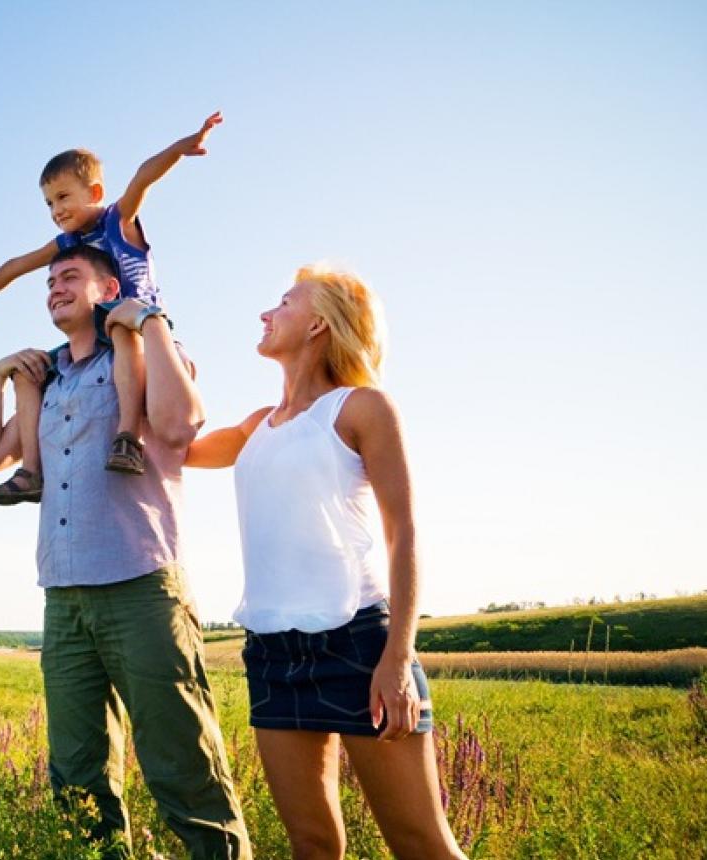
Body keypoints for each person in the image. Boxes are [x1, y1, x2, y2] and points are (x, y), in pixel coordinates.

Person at [0, 244, 250, 860]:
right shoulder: (46, 383)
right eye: (47, 283)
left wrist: (148, 322)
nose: (53, 289)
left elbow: (180, 427)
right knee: (77, 775)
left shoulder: (143, 357)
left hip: (141, 586)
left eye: (69, 276)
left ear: (107, 288)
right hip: (63, 598)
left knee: (182, 762)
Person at [185, 264, 466, 860]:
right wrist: (154, 343)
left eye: (283, 303)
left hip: (359, 645)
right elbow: (172, 446)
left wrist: (397, 658)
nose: (266, 313)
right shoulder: (256, 426)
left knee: (421, 844)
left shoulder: (361, 409)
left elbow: (405, 532)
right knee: (312, 845)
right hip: (271, 652)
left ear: (318, 323)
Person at [0, 111, 223, 504]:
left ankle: (126, 436)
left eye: (63, 197)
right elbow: (15, 266)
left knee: (119, 326)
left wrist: (180, 148)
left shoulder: (117, 221)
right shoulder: (66, 245)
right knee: (29, 372)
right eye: (48, 203)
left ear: (93, 193)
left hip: (137, 325)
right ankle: (32, 472)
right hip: (95, 336)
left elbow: (143, 176)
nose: (56, 210)